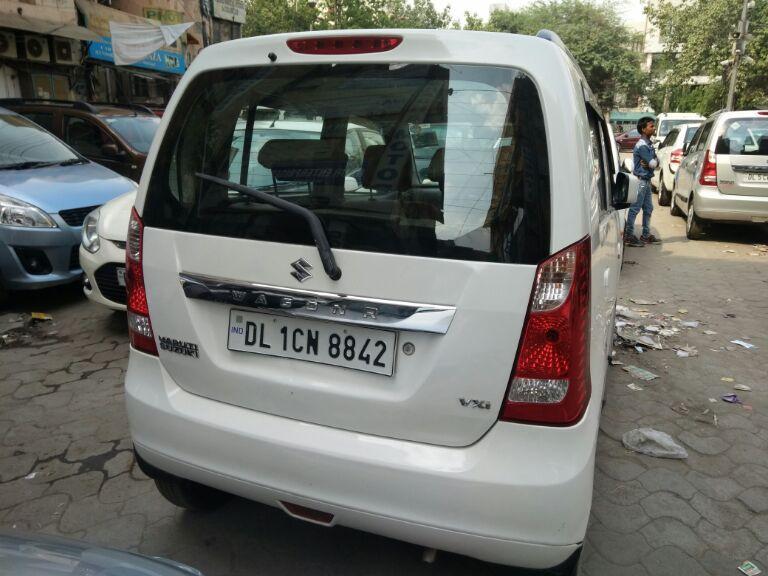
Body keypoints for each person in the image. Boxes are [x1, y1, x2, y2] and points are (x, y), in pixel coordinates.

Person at [625, 116, 661, 246]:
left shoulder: (648, 144)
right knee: (635, 209)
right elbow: (653, 163)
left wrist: (655, 162)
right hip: (641, 182)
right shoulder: (642, 146)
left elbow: (656, 162)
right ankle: (629, 236)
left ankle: (645, 235)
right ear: (643, 129)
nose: (654, 128)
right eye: (651, 126)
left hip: (646, 181)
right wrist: (654, 162)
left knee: (648, 208)